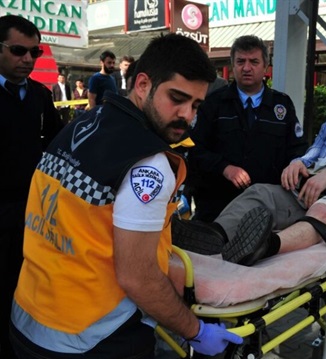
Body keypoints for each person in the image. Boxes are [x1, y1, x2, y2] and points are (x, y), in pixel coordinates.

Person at [10, 34, 242, 358]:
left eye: (196, 105)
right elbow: (139, 278)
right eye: (177, 98)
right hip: (93, 340)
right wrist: (196, 330)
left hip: (27, 318)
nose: (187, 116)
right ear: (143, 84)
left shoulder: (83, 124)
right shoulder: (148, 164)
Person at [199, 57, 326, 267]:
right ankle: (212, 236)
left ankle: (266, 246)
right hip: (316, 191)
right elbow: (312, 154)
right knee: (261, 192)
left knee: (324, 209)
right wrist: (298, 163)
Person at [188, 35, 308, 221]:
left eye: (254, 62)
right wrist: (225, 168)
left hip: (268, 210)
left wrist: (296, 163)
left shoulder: (282, 105)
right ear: (233, 65)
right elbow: (195, 149)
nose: (246, 68)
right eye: (240, 61)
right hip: (218, 208)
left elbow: (297, 148)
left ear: (266, 67)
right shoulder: (213, 104)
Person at [0, 14, 64, 359]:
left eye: (34, 52)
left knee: (28, 289)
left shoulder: (40, 97)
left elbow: (58, 148)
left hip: (35, 216)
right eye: (18, 50)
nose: (27, 59)